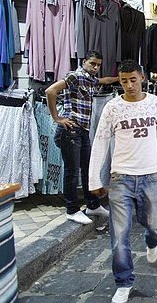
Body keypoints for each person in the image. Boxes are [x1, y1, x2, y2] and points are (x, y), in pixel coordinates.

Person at [88, 60, 157, 303]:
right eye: (124, 81)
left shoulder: (156, 103)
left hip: (149, 175)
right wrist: (94, 179)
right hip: (120, 177)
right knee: (119, 235)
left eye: (133, 79)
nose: (129, 85)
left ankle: (151, 242)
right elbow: (100, 142)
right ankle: (123, 282)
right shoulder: (112, 107)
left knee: (154, 226)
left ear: (142, 77)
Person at [45, 50, 118, 224]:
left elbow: (103, 80)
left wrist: (119, 78)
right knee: (72, 172)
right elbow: (50, 91)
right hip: (70, 130)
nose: (95, 67)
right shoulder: (75, 76)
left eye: (98, 65)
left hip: (82, 131)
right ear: (84, 61)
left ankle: (92, 205)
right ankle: (72, 210)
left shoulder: (91, 80)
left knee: (88, 168)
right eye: (92, 63)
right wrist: (57, 118)